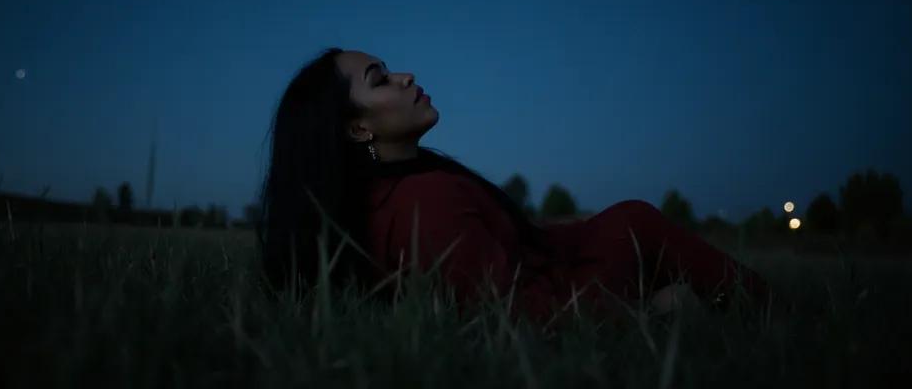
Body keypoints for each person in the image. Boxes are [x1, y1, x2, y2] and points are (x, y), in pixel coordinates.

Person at [256, 48, 774, 326]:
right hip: (562, 302)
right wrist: (651, 313)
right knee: (635, 222)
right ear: (357, 128)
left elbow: (516, 247)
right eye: (381, 79)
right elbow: (513, 316)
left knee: (621, 223)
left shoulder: (397, 192)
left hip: (551, 271)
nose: (407, 77)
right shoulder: (423, 202)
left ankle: (762, 309)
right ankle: (782, 316)